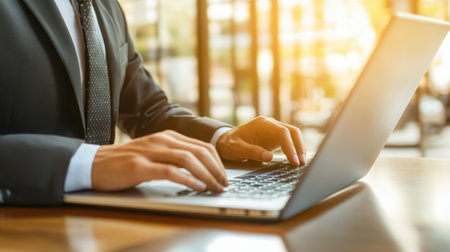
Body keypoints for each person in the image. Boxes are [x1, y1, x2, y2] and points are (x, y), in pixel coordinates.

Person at [0, 0, 306, 205]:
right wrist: (86, 162)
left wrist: (222, 139)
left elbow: (149, 110)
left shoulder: (105, 8)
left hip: (105, 223)